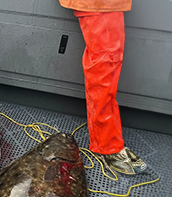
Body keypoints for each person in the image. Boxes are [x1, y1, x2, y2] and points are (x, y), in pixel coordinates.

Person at [59, 0, 147, 175]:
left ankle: (106, 142)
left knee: (106, 67)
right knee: (104, 69)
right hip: (99, 3)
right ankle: (107, 145)